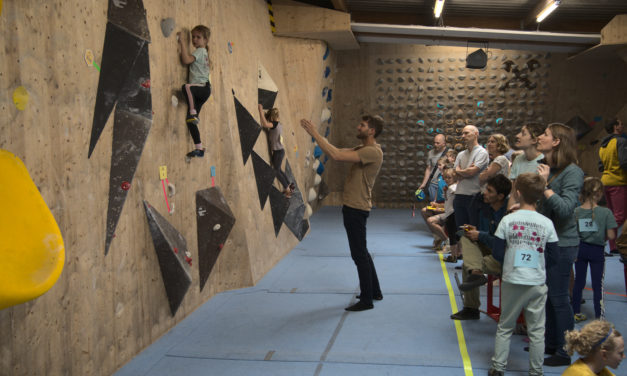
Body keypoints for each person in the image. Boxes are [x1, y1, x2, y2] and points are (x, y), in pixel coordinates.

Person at [300, 115, 384, 312]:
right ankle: (374, 291)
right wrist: (319, 137)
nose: (358, 127)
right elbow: (335, 150)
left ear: (371, 131)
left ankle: (366, 300)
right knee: (362, 251)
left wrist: (314, 134)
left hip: (357, 207)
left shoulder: (372, 151)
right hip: (355, 206)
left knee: (359, 254)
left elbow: (336, 156)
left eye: (362, 125)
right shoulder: (363, 149)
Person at [487, 173, 559, 376]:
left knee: (505, 325)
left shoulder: (508, 220)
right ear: (540, 196)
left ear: (517, 193)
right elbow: (554, 256)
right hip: (536, 281)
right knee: (537, 330)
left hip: (512, 279)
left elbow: (498, 252)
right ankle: (536, 371)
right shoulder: (546, 223)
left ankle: (498, 367)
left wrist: (510, 263)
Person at [536, 123, 585, 367]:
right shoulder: (551, 170)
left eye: (544, 134)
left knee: (558, 297)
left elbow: (566, 210)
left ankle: (565, 350)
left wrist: (544, 188)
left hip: (563, 244)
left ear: (556, 141)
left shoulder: (572, 172)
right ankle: (551, 343)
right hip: (548, 242)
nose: (539, 137)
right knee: (547, 296)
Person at [452, 174, 511, 320]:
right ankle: (476, 272)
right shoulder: (488, 209)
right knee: (466, 237)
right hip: (492, 251)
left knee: (468, 265)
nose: (485, 193)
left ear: (500, 196)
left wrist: (480, 235)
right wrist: (475, 232)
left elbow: (502, 243)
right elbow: (491, 237)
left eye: (490, 191)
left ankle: (471, 307)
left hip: (505, 258)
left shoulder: (508, 214)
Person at [572, 177, 617, 322]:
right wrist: (600, 237)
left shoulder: (576, 212)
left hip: (580, 249)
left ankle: (575, 312)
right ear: (598, 194)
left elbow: (573, 233)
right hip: (597, 251)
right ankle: (599, 318)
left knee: (579, 282)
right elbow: (611, 235)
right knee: (598, 284)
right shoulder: (606, 213)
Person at [178, 25, 212, 159]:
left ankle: (193, 113)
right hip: (204, 90)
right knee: (190, 121)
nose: (194, 40)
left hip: (201, 88)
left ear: (205, 40)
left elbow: (186, 60)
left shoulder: (201, 51)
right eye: (193, 37)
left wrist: (182, 42)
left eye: (198, 37)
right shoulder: (203, 53)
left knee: (187, 87)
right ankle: (199, 148)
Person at [453, 125, 490, 233]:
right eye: (462, 133)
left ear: (476, 134)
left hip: (473, 196)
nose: (463, 136)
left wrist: (461, 171)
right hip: (459, 195)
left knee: (473, 230)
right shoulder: (460, 154)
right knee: (460, 230)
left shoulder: (482, 152)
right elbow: (455, 175)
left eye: (467, 133)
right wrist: (465, 171)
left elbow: (471, 172)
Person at [598, 118, 627, 256]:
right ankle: (598, 241)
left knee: (612, 215)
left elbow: (600, 166)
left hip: (606, 181)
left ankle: (613, 245)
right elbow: (624, 162)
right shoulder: (620, 141)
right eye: (621, 123)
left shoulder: (603, 145)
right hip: (618, 182)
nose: (622, 125)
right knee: (620, 216)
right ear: (616, 127)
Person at [257, 104, 295, 198]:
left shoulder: (275, 124)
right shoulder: (280, 125)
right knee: (279, 169)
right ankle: (290, 185)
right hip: (279, 151)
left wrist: (260, 110)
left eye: (270, 118)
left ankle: (287, 190)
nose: (269, 120)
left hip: (278, 152)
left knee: (276, 171)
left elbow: (265, 124)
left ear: (272, 118)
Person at [508, 122, 545, 210]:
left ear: (534, 140)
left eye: (523, 134)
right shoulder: (518, 159)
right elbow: (514, 193)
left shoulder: (544, 161)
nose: (518, 136)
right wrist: (509, 214)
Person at [423, 164, 455, 251]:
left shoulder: (453, 189)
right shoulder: (448, 188)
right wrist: (437, 205)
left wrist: (441, 209)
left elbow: (453, 207)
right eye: (446, 178)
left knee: (431, 220)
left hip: (451, 215)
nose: (447, 180)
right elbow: (447, 204)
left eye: (449, 178)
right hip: (447, 212)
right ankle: (440, 238)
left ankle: (447, 241)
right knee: (426, 213)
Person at [421, 157, 449, 249]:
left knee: (434, 217)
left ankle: (446, 240)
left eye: (440, 165)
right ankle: (437, 236)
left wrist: (440, 206)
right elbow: (438, 190)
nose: (439, 167)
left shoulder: (449, 178)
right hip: (440, 202)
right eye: (438, 165)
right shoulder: (440, 176)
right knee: (424, 211)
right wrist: (435, 201)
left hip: (447, 205)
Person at [419, 134, 447, 201]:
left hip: (444, 183)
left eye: (438, 143)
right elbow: (428, 169)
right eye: (434, 142)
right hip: (433, 184)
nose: (435, 144)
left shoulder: (449, 153)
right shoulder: (430, 153)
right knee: (433, 205)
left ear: (444, 143)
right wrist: (423, 184)